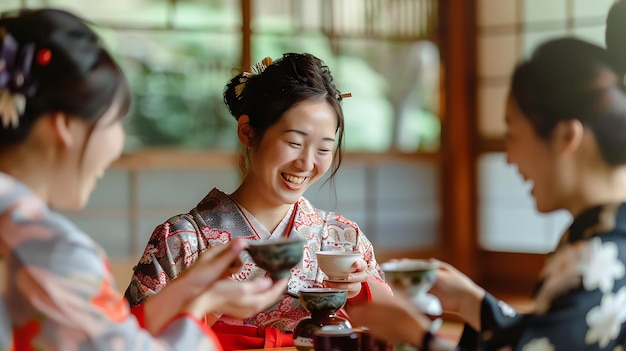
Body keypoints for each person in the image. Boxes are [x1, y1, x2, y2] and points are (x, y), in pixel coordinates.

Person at [0, 8, 288, 350]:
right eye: (114, 121)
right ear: (64, 125)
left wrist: (192, 290)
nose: (119, 143)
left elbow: (109, 332)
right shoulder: (51, 251)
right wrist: (199, 306)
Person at [350, 1, 626, 350]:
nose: (509, 158)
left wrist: (414, 333)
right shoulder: (599, 234)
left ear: (566, 137)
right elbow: (552, 335)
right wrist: (470, 301)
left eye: (513, 134)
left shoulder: (598, 257)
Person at [124, 52, 393, 350]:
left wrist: (358, 289)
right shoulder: (182, 239)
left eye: (323, 149)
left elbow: (393, 325)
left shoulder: (341, 237)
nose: (306, 163)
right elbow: (128, 339)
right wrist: (209, 304)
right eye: (294, 142)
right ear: (248, 132)